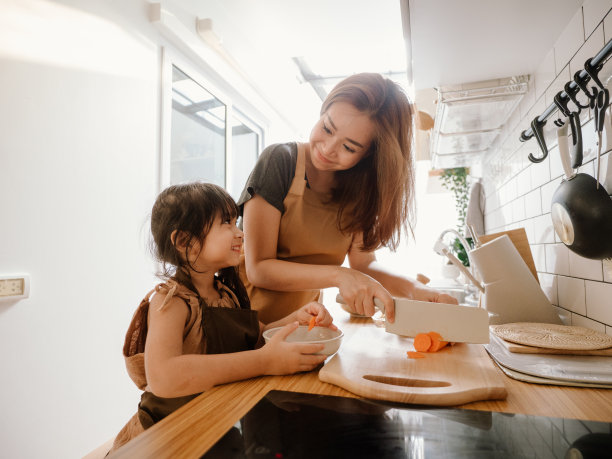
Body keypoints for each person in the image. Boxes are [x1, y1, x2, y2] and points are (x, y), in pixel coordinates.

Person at [109, 182, 336, 453]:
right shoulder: (170, 302)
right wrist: (263, 362)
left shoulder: (225, 293)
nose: (239, 233)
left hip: (213, 424)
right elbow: (163, 377)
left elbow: (258, 334)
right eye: (226, 223)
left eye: (236, 222)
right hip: (165, 435)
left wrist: (294, 320)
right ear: (184, 242)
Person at [238, 72, 458, 324]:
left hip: (302, 325)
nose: (328, 148)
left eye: (349, 147)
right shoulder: (280, 161)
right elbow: (259, 269)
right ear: (323, 112)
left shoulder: (361, 190)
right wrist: (339, 275)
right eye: (326, 127)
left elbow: (363, 265)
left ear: (369, 155)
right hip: (243, 324)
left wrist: (415, 290)